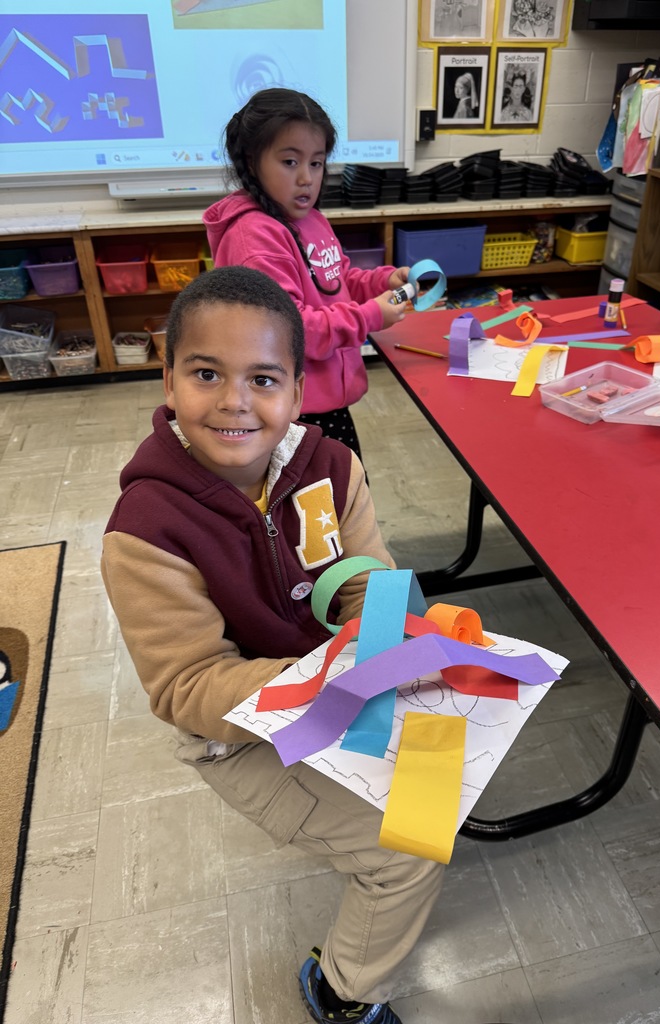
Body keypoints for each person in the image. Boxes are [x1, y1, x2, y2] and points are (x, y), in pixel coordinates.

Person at [100, 266, 444, 1024]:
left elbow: (368, 580)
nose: (233, 401)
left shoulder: (333, 466)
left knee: (438, 776)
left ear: (296, 389)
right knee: (407, 852)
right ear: (167, 380)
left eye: (263, 378)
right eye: (205, 373)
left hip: (339, 691)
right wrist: (329, 678)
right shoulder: (145, 530)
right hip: (239, 738)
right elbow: (187, 688)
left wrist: (390, 642)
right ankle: (344, 992)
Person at [203, 88, 410, 462]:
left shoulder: (309, 219)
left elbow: (337, 280)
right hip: (292, 415)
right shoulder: (255, 237)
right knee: (314, 511)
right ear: (251, 163)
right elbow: (292, 330)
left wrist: (383, 282)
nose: (306, 178)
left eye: (316, 164)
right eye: (289, 162)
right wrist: (371, 315)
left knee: (344, 500)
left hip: (324, 404)